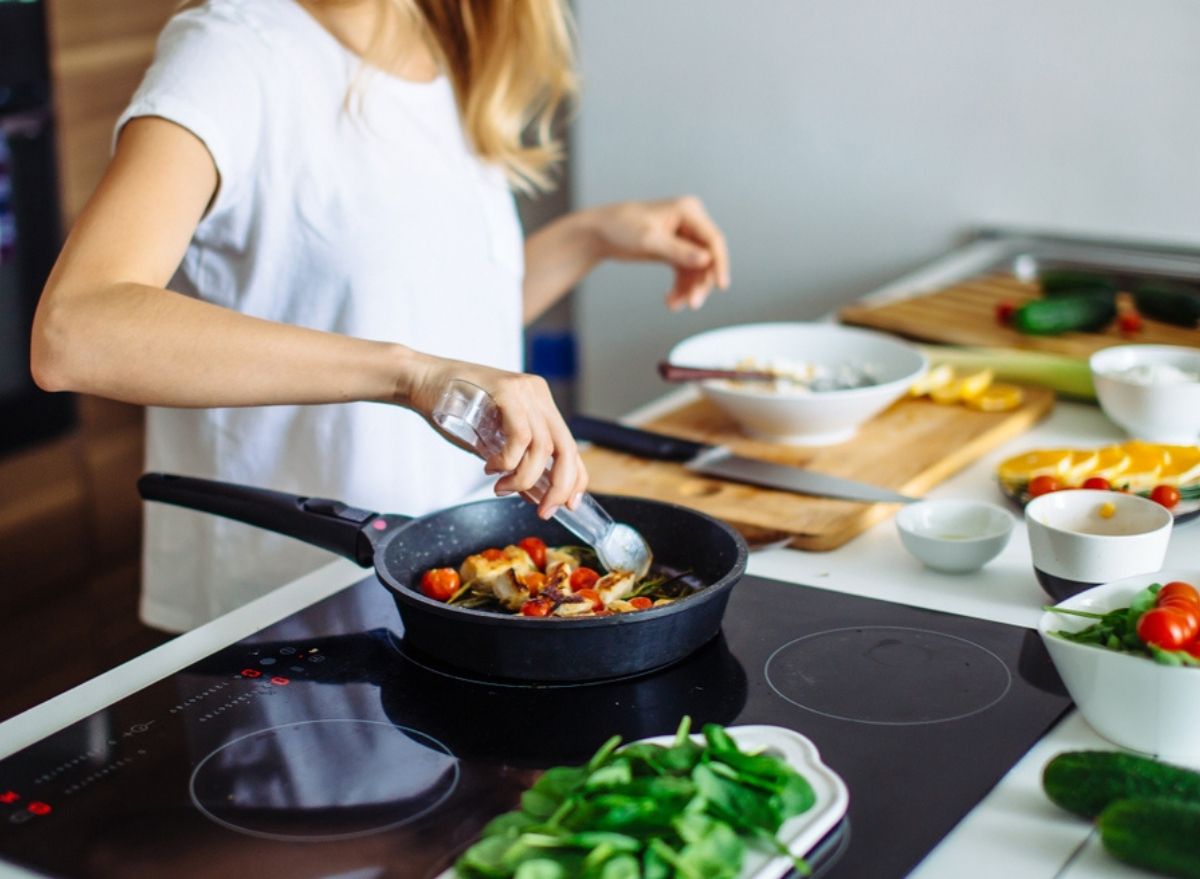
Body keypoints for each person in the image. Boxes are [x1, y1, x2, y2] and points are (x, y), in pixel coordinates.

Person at [30, 0, 730, 632]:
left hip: (453, 593)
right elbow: (76, 330)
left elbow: (437, 323)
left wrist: (590, 237)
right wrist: (409, 374)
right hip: (295, 607)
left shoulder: (442, 47)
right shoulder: (229, 50)